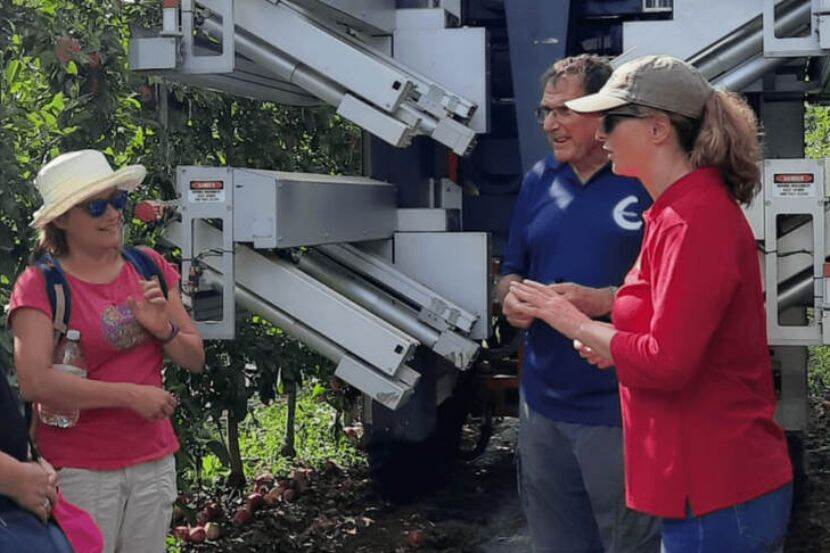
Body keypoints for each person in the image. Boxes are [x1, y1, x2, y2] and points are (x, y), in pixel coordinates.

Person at [509, 55, 793, 551]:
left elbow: (668, 364)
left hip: (718, 492)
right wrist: (615, 342)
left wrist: (570, 319)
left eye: (612, 121)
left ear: (658, 129)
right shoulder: (671, 213)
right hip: (693, 489)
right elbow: (665, 326)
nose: (601, 134)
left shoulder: (694, 221)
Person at [498, 54, 659, 552]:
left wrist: (606, 301)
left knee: (632, 543)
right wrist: (510, 299)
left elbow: (677, 291)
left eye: (565, 110)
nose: (551, 124)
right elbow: (510, 270)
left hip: (622, 409)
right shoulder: (538, 181)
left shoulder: (646, 180)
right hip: (543, 408)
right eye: (545, 112)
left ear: (604, 111)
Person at [9, 149, 205, 553]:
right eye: (97, 207)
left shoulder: (148, 266)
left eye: (118, 201)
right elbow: (34, 382)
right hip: (81, 471)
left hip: (152, 463)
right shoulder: (40, 285)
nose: (114, 215)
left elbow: (194, 357)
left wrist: (163, 328)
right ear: (61, 220)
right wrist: (130, 396)